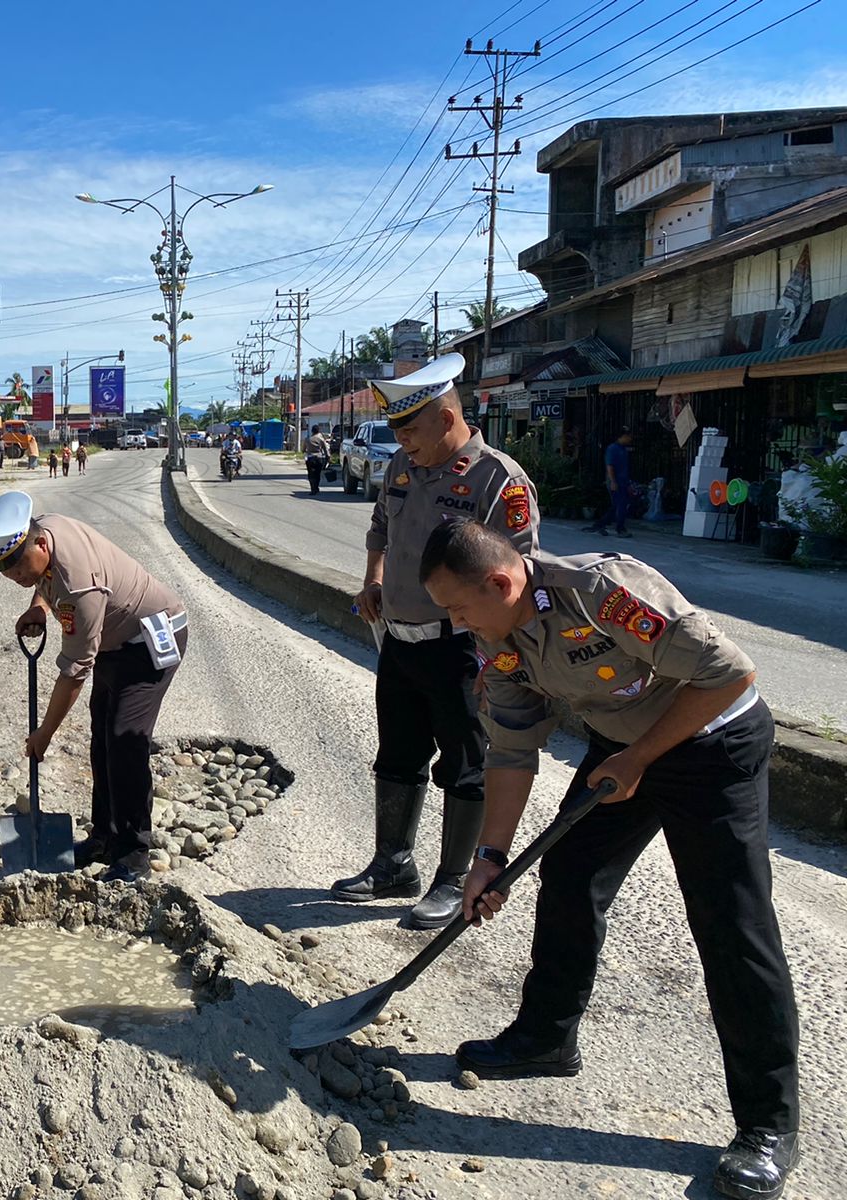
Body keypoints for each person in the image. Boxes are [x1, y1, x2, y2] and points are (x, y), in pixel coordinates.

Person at [419, 518, 800, 1200]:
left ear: (501, 582)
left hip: (713, 745)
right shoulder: (500, 639)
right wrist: (490, 855)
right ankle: (546, 1037)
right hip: (622, 748)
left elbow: (731, 675)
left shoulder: (602, 592)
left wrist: (641, 759)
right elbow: (511, 748)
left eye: (458, 607)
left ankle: (768, 1126)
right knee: (569, 872)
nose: (456, 623)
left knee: (731, 923)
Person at [339, 352, 541, 930]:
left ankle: (453, 879)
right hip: (400, 639)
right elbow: (380, 527)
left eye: (410, 429)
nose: (402, 442)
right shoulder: (402, 468)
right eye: (397, 431)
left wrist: (495, 656)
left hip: (461, 648)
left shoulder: (498, 480)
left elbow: (517, 575)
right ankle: (392, 863)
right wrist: (373, 579)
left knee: (465, 760)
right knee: (397, 753)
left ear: (446, 418)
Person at [0, 491, 188, 883]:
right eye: (1, 567)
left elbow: (73, 671)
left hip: (152, 637)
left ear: (38, 543)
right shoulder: (46, 530)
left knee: (124, 739)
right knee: (103, 737)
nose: (13, 574)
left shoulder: (79, 588)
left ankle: (134, 853)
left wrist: (44, 734)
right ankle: (104, 837)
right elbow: (47, 577)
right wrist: (40, 605)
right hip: (115, 638)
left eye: (17, 563)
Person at [585, 428, 634, 537]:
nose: (630, 438)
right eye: (628, 436)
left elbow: (625, 468)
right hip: (615, 481)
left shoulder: (623, 450)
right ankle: (620, 529)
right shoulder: (613, 449)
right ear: (622, 436)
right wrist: (612, 481)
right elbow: (610, 466)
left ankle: (600, 524)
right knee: (620, 505)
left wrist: (629, 483)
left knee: (618, 505)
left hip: (623, 481)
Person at [305, 427, 331, 495]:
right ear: (318, 431)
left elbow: (303, 449)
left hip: (310, 458)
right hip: (318, 458)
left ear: (312, 431)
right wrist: (328, 458)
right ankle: (316, 487)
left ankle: (312, 488)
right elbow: (326, 450)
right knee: (317, 474)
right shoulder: (321, 439)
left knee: (310, 474)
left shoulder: (307, 439)